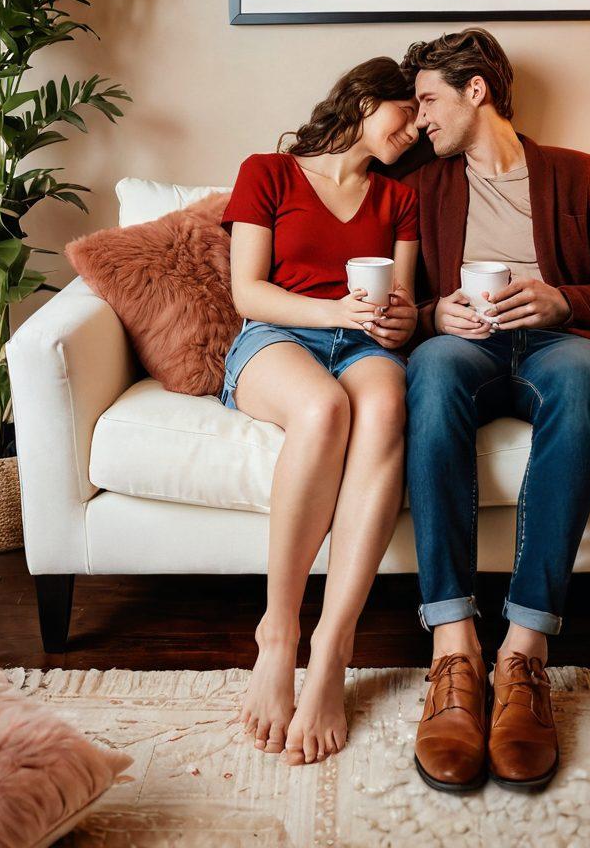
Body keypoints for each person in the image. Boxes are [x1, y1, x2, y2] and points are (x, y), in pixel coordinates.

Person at [395, 27, 590, 794]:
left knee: (582, 368)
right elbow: (387, 297)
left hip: (554, 343)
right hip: (465, 349)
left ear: (477, 91)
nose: (420, 119)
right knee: (435, 369)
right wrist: (433, 315)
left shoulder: (580, 175)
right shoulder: (417, 183)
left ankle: (524, 655)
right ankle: (454, 650)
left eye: (429, 99)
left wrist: (559, 300)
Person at [218, 56, 420, 766]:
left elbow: (404, 301)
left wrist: (400, 322)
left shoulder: (399, 197)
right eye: (408, 111)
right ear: (366, 101)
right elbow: (248, 292)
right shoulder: (267, 173)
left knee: (389, 403)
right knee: (324, 408)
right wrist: (331, 308)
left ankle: (333, 649)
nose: (418, 125)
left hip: (361, 343)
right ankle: (278, 633)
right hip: (276, 336)